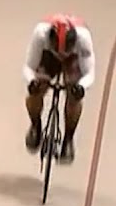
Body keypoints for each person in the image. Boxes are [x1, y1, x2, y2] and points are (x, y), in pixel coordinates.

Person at [22, 13, 96, 164]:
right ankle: (35, 125)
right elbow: (29, 67)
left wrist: (81, 87)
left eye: (66, 49)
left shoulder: (83, 38)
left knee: (74, 96)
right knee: (36, 90)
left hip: (73, 58)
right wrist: (32, 82)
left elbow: (89, 73)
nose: (62, 53)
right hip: (49, 56)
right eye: (59, 49)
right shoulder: (40, 34)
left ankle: (68, 138)